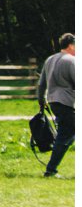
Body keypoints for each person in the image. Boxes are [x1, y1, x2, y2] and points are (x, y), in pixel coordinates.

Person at [38, 33, 75, 177]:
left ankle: (51, 169)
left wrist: (41, 102)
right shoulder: (72, 61)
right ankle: (51, 169)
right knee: (65, 136)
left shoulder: (50, 59)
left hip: (54, 102)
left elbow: (42, 84)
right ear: (71, 45)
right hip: (68, 102)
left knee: (65, 136)